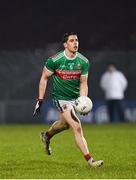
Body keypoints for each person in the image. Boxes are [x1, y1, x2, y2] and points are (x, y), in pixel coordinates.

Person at [33, 32, 103, 167]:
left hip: (75, 99)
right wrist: (40, 100)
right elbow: (44, 78)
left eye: (76, 40)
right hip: (60, 98)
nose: (75, 43)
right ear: (65, 44)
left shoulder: (83, 61)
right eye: (72, 40)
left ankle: (47, 136)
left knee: (64, 125)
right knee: (76, 126)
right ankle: (90, 161)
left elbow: (83, 83)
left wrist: (83, 100)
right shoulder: (55, 60)